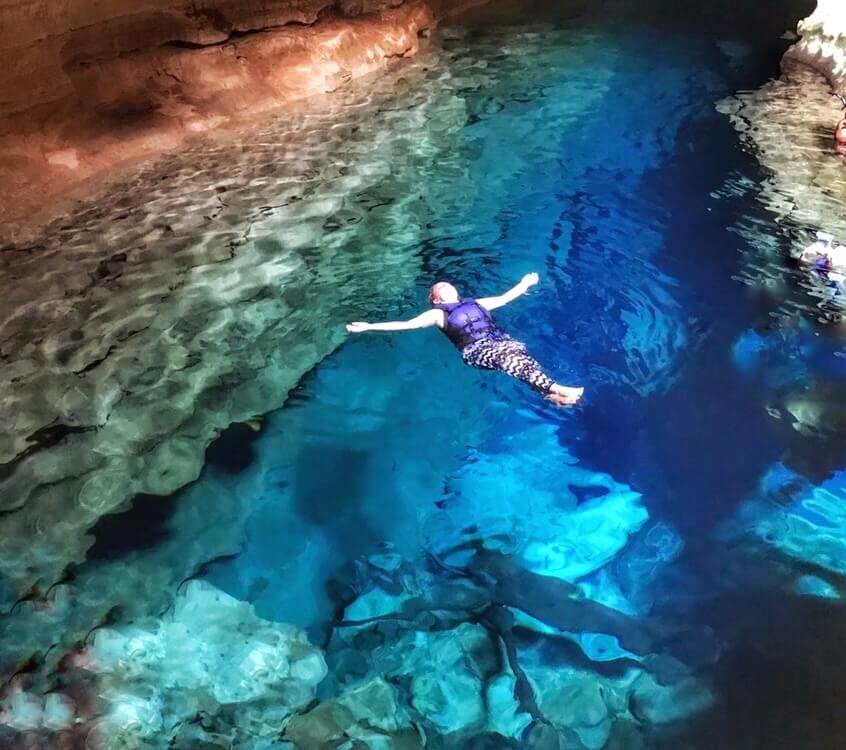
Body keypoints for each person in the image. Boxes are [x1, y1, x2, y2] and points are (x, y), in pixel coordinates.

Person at [346, 273, 584, 406]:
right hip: (475, 351)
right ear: (436, 299)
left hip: (500, 341)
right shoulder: (438, 314)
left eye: (448, 284)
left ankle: (552, 396)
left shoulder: (475, 303)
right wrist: (369, 326)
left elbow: (505, 298)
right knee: (508, 358)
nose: (445, 286)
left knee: (520, 356)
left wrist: (524, 283)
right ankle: (556, 387)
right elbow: (407, 324)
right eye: (440, 288)